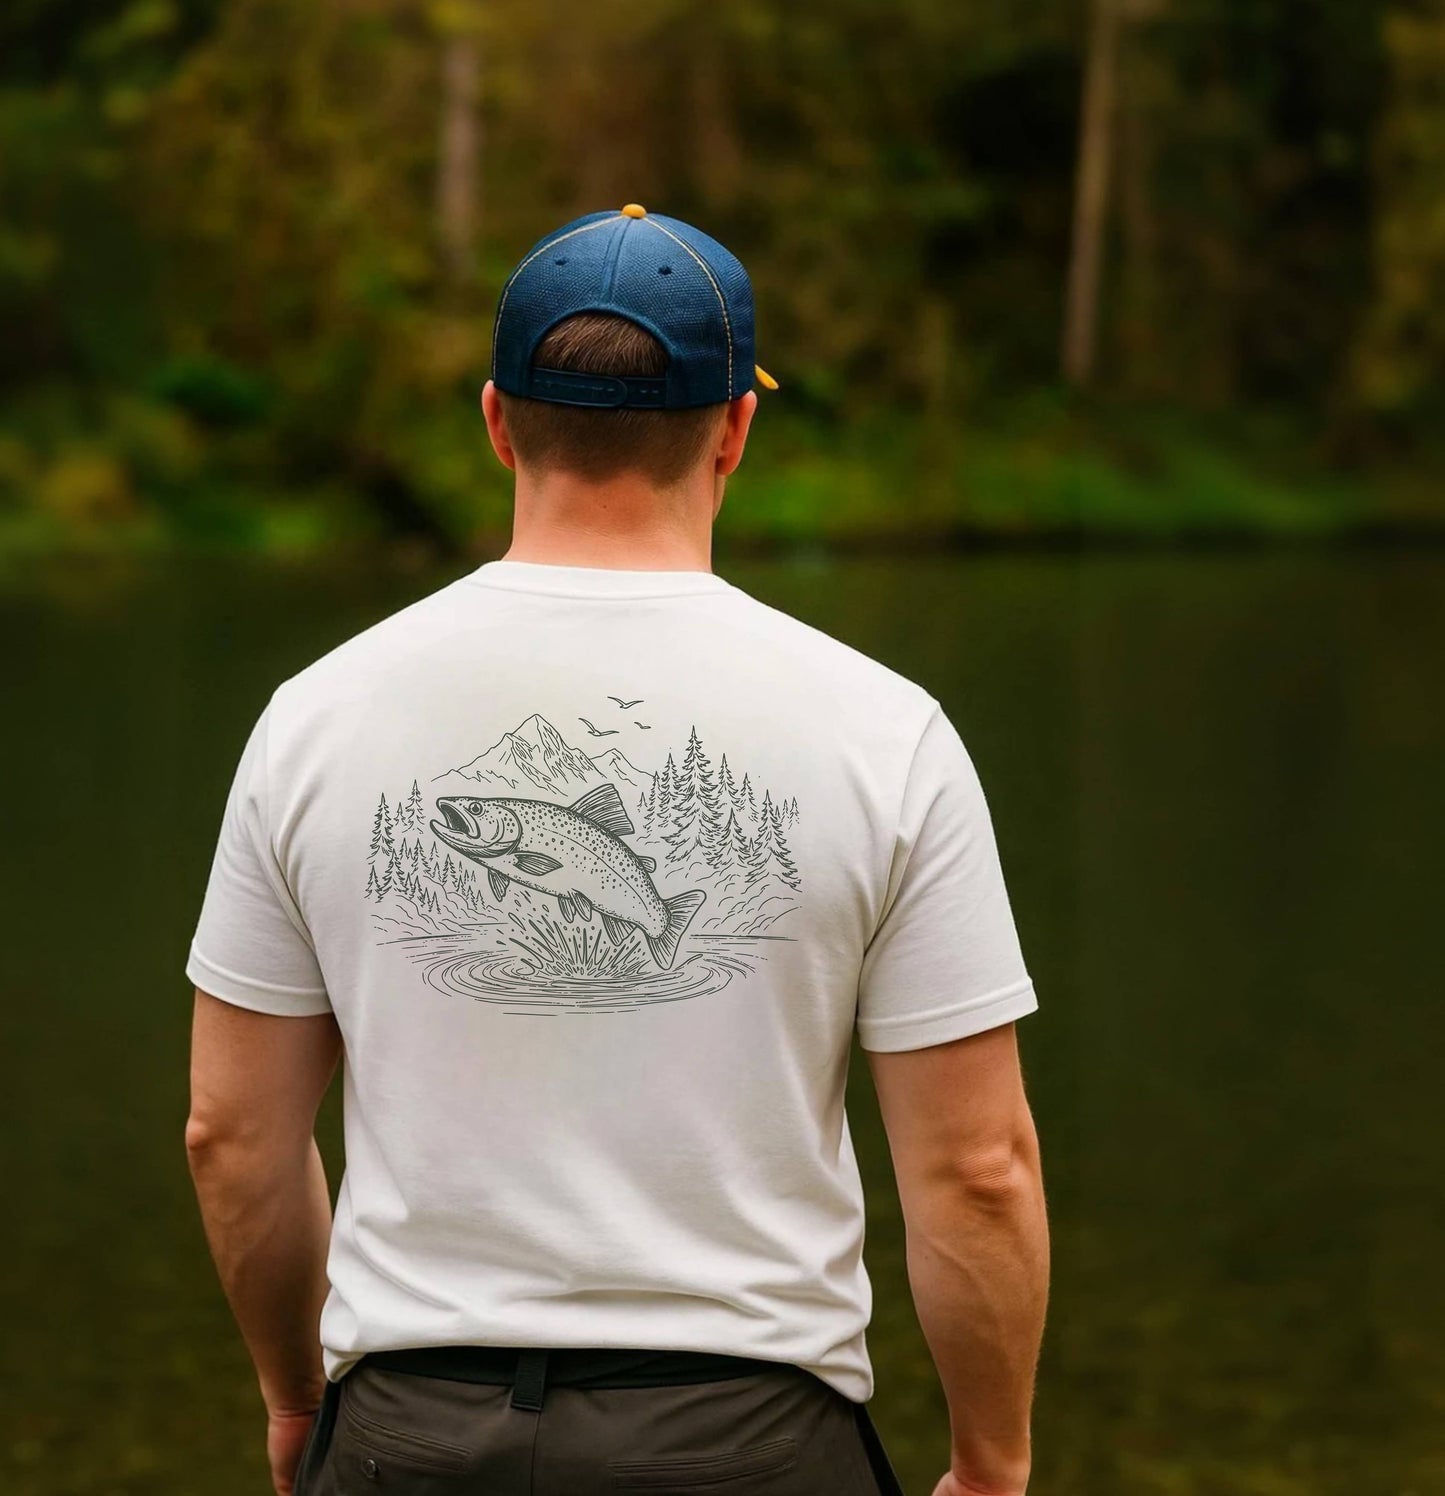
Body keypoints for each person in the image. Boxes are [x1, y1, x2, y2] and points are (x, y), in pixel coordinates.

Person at [184, 203, 1049, 1496]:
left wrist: (299, 1402)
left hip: (410, 1436)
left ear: (494, 421)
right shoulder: (886, 732)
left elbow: (230, 1136)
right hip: (754, 1445)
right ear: (737, 431)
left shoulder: (313, 716)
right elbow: (977, 1173)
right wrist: (990, 1463)